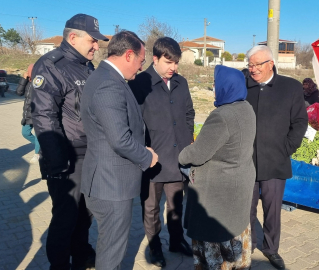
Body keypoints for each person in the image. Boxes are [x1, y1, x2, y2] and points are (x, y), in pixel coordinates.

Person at [30, 14, 108, 270]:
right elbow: (43, 116)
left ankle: (81, 254)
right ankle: (60, 264)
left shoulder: (87, 66)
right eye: (92, 40)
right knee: (65, 218)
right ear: (73, 38)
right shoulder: (51, 65)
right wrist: (58, 164)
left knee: (84, 215)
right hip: (67, 158)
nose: (96, 46)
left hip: (90, 155)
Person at [80, 30, 158, 270]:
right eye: (141, 61)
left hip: (107, 180)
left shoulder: (106, 78)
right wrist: (147, 156)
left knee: (109, 245)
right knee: (112, 250)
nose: (140, 67)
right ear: (128, 55)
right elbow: (120, 139)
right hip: (110, 185)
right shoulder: (108, 84)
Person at [178, 65, 256, 270]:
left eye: (215, 83)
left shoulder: (222, 115)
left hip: (219, 194)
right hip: (239, 183)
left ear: (226, 86)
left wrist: (182, 155)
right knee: (235, 234)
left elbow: (198, 153)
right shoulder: (246, 107)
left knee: (215, 248)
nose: (213, 87)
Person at [128, 37, 195, 267]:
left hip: (177, 157)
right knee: (151, 208)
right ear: (155, 58)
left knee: (176, 205)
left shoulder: (181, 82)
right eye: (169, 62)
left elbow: (189, 114)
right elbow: (133, 123)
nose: (173, 68)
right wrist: (142, 154)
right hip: (152, 160)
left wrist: (187, 144)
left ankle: (176, 241)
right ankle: (155, 247)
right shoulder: (140, 83)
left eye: (176, 62)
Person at [246, 46, 308, 270]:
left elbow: (300, 121)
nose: (252, 69)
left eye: (256, 65)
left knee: (272, 210)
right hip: (247, 161)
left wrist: (287, 147)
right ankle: (248, 248)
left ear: (270, 64)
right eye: (250, 64)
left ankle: (271, 249)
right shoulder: (244, 85)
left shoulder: (290, 87)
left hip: (275, 160)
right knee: (247, 209)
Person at [16, 64, 40, 163]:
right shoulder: (27, 81)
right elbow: (19, 92)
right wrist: (23, 79)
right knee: (25, 133)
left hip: (37, 112)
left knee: (38, 135)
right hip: (27, 112)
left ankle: (37, 153)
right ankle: (42, 146)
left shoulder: (40, 81)